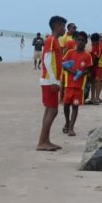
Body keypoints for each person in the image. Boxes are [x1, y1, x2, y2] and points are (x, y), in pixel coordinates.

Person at [36, 15, 67, 151]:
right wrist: (54, 80)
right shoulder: (50, 40)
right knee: (52, 110)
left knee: (50, 110)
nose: (64, 29)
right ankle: (42, 142)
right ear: (56, 26)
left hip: (51, 79)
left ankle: (45, 140)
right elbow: (47, 60)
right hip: (49, 80)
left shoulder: (54, 41)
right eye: (63, 26)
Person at [62, 31, 93, 136]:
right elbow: (64, 65)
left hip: (79, 87)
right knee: (66, 105)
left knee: (75, 106)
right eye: (79, 40)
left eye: (83, 40)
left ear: (86, 42)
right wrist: (73, 72)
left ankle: (71, 128)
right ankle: (67, 121)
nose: (80, 42)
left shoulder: (87, 55)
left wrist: (82, 73)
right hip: (69, 85)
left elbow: (89, 69)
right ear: (75, 41)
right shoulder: (70, 52)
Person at [89, 32, 102, 104]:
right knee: (95, 81)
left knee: (97, 81)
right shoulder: (94, 45)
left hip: (99, 65)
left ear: (97, 41)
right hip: (94, 65)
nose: (92, 43)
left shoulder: (100, 48)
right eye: (92, 41)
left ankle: (96, 98)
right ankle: (93, 98)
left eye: (93, 42)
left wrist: (90, 69)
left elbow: (96, 60)